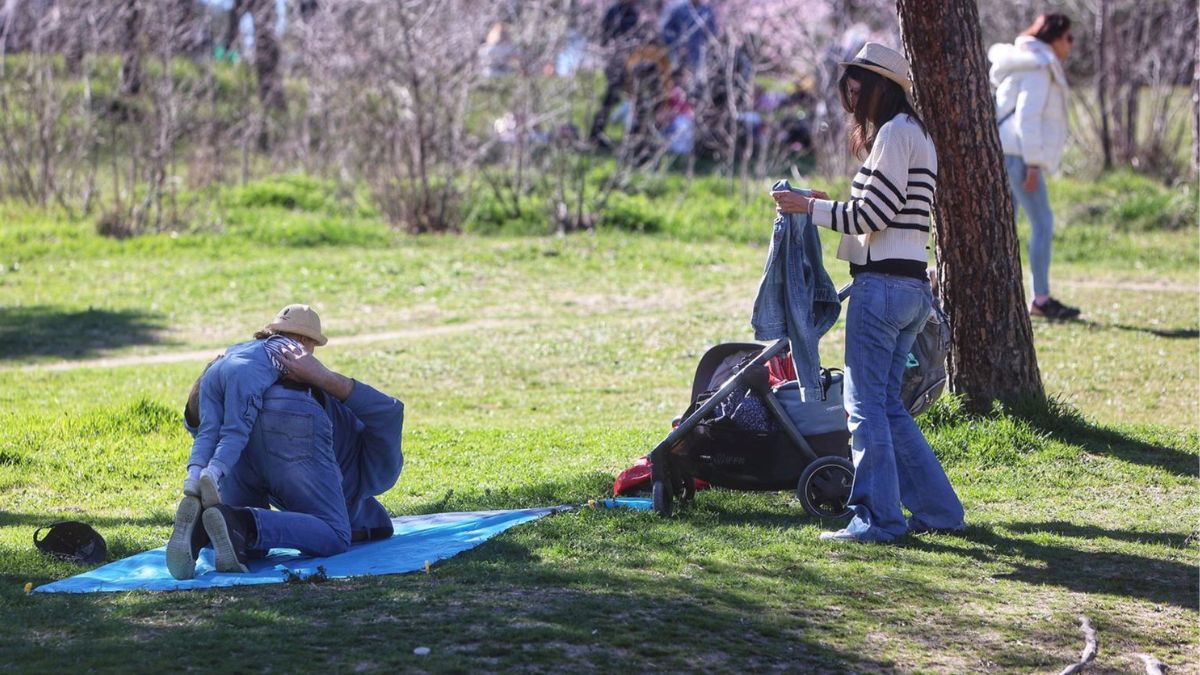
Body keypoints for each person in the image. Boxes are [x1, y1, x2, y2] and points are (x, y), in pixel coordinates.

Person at [770, 43, 965, 543]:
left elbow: (869, 218)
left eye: (860, 79)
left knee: (863, 407)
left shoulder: (896, 135)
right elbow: (882, 212)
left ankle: (878, 519)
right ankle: (939, 511)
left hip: (882, 289)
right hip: (909, 289)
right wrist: (819, 202)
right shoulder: (910, 134)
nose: (851, 88)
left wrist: (805, 209)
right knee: (887, 406)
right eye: (849, 79)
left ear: (883, 86)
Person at [166, 309, 405, 579]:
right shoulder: (375, 476)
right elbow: (390, 411)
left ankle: (206, 525)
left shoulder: (259, 356)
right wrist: (321, 376)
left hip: (248, 439)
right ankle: (242, 524)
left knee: (241, 538)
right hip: (293, 417)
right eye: (359, 533)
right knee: (335, 535)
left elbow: (199, 423)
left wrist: (212, 372)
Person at [989, 14, 1079, 320]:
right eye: (1069, 37)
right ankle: (1040, 298)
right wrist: (1034, 164)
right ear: (1053, 38)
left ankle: (999, 296)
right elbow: (1027, 118)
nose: (1071, 44)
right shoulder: (1040, 67)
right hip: (1020, 155)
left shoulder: (1026, 62)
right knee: (1043, 222)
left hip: (1007, 152)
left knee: (1004, 227)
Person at [589, 0, 641, 147]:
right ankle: (596, 133)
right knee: (611, 98)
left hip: (631, 63)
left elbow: (637, 36)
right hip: (615, 62)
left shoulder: (634, 13)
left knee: (636, 98)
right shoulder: (614, 12)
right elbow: (605, 38)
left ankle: (634, 135)